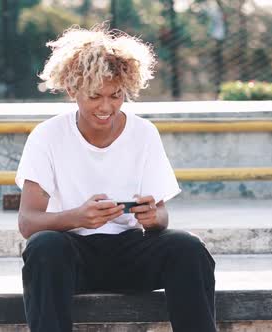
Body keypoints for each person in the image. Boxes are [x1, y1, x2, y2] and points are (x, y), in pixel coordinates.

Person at [15, 24, 216, 332]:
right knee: (44, 248)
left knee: (189, 248)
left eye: (116, 95)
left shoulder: (143, 133)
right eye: (95, 96)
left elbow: (162, 216)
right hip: (72, 256)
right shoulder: (48, 136)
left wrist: (152, 216)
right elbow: (28, 222)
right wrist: (78, 217)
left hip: (130, 251)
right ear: (72, 90)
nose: (106, 107)